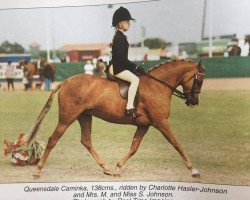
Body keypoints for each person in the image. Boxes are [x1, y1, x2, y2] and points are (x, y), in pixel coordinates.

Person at [108, 6, 145, 117]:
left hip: (118, 65)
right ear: (120, 23)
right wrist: (135, 67)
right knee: (135, 79)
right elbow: (122, 59)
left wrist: (134, 67)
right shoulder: (119, 38)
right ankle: (129, 107)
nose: (129, 23)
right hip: (117, 67)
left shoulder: (120, 36)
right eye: (127, 21)